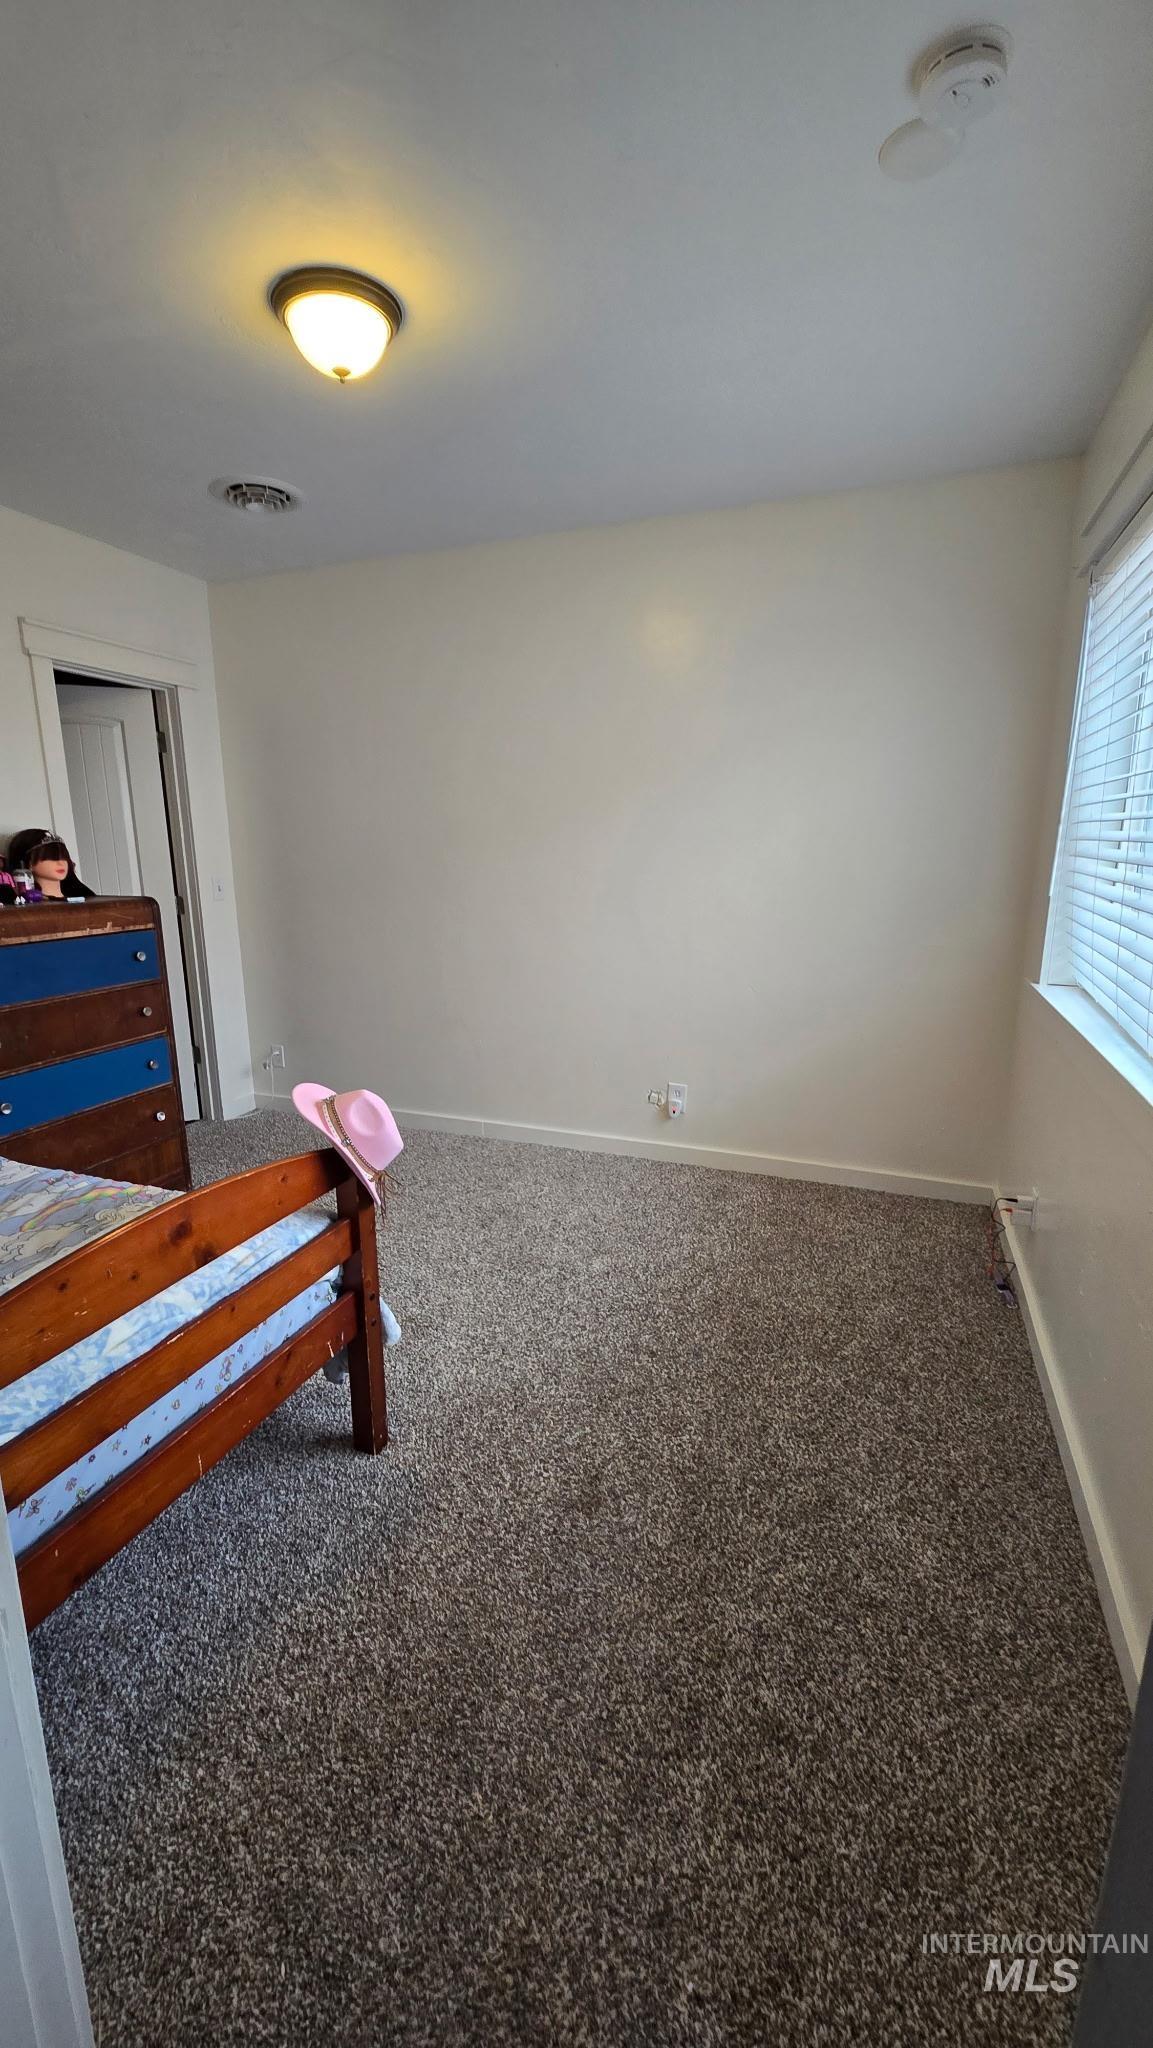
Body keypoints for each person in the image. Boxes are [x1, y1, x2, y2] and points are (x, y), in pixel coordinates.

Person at [0, 830, 96, 904]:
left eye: (64, 857)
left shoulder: (87, 897)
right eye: (51, 858)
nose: (60, 863)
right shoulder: (20, 902)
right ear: (28, 863)